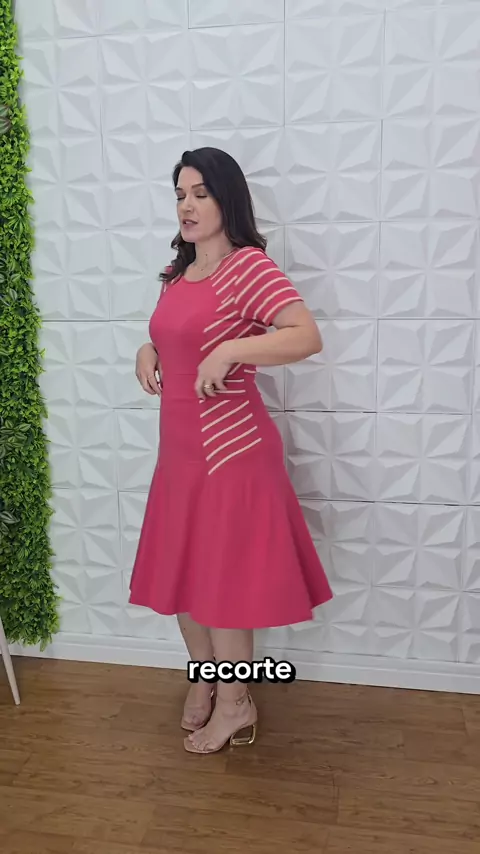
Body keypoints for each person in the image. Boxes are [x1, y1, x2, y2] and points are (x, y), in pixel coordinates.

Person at [129, 147, 333, 755]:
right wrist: (149, 350)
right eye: (180, 195)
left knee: (221, 588)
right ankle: (206, 680)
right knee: (183, 577)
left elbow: (305, 335)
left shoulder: (248, 268)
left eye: (201, 194)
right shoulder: (179, 271)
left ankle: (237, 701)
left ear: (228, 199)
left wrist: (234, 350)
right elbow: (175, 333)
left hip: (232, 452)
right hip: (180, 456)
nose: (187, 206)